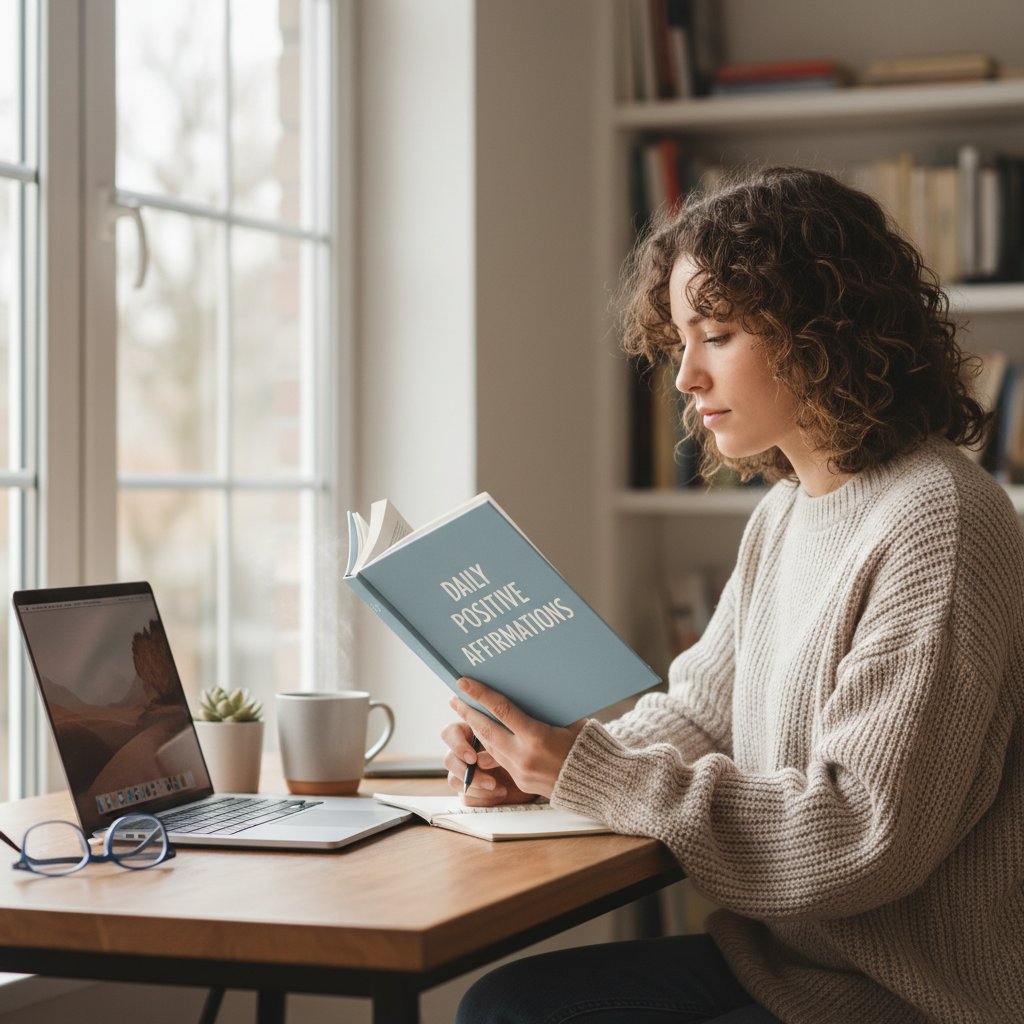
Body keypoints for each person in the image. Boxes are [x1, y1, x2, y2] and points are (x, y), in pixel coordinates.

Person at [441, 166, 1024, 1024]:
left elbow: (863, 833)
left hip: (909, 997)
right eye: (681, 341)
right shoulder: (786, 510)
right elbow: (703, 714)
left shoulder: (939, 518)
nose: (685, 379)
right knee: (506, 1006)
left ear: (822, 330)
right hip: (781, 964)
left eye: (715, 334)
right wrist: (545, 762)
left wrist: (594, 775)